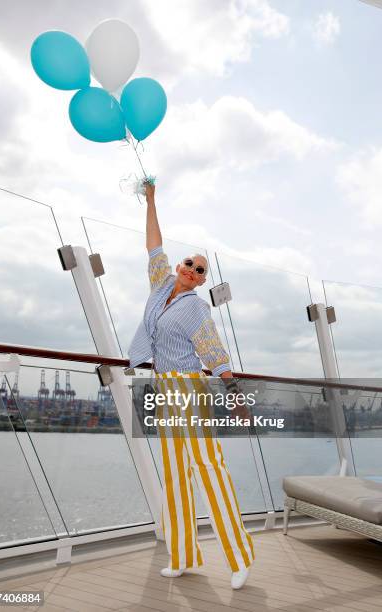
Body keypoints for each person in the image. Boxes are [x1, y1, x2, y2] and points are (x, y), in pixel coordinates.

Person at [128, 182, 255, 590]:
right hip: (164, 390)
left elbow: (215, 355)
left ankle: (239, 558)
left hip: (190, 391)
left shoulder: (197, 308)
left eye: (200, 270)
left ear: (202, 282)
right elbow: (153, 245)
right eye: (189, 263)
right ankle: (182, 556)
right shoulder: (160, 287)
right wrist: (150, 200)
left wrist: (235, 397)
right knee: (175, 473)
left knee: (209, 469)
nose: (192, 270)